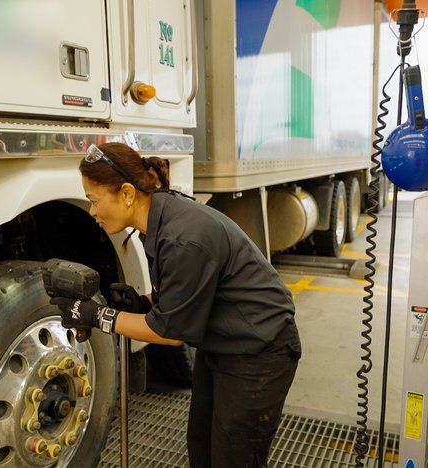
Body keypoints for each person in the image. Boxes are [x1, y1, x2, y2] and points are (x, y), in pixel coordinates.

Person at [49, 142, 301, 467]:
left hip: (260, 351)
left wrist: (100, 315)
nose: (92, 211)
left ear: (126, 193)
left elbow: (170, 333)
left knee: (234, 457)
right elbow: (182, 290)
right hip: (222, 346)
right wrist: (141, 304)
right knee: (202, 446)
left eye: (95, 201)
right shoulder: (157, 219)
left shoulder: (183, 237)